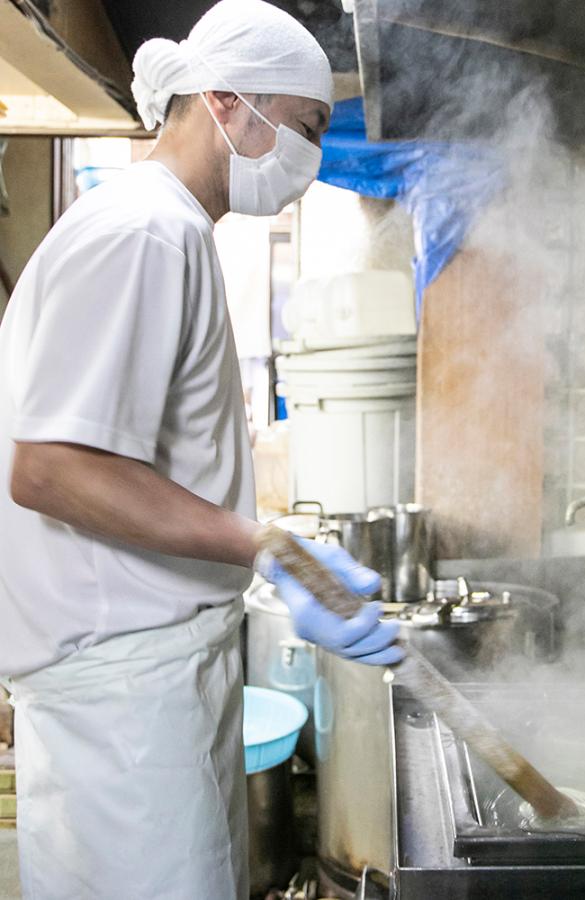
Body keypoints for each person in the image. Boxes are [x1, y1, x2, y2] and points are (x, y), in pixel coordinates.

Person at [0, 1, 402, 897]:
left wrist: (264, 546)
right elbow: (52, 470)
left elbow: (131, 458)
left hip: (144, 689)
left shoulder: (162, 229)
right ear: (225, 103)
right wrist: (263, 545)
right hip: (128, 702)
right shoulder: (145, 232)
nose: (306, 159)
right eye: (303, 129)